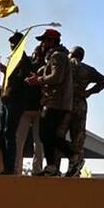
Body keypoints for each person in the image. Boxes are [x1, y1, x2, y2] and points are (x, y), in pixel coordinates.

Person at [24, 29, 72, 177]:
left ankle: (73, 156)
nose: (42, 43)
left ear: (51, 41)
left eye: (44, 40)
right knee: (46, 135)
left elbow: (56, 77)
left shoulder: (57, 56)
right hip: (53, 101)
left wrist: (37, 80)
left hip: (56, 103)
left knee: (47, 135)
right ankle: (51, 167)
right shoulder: (54, 57)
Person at [0, 32, 43, 175]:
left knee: (10, 134)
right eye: (11, 42)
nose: (12, 45)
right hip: (8, 100)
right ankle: (8, 167)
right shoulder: (13, 59)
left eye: (15, 42)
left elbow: (21, 80)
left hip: (16, 101)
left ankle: (11, 168)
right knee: (5, 134)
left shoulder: (23, 60)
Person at [63, 46, 104, 177]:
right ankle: (75, 168)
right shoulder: (88, 69)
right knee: (77, 138)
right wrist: (89, 92)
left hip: (64, 104)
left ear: (71, 54)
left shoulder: (66, 66)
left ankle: (55, 167)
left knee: (59, 136)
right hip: (80, 105)